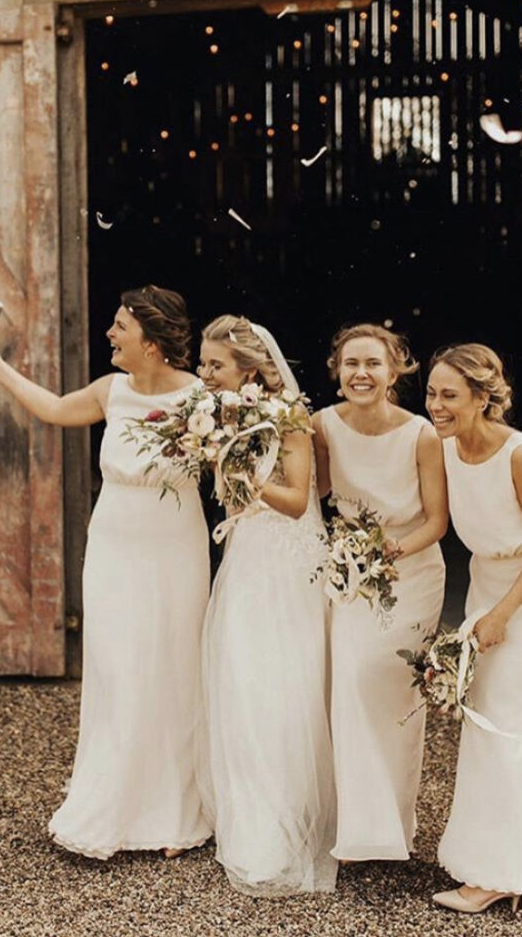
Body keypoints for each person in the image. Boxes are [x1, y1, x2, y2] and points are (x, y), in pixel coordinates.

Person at [0, 285, 211, 860]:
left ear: (152, 343)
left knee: (174, 668)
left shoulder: (203, 398)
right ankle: (111, 804)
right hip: (113, 548)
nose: (109, 334)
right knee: (117, 668)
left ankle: (174, 813)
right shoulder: (112, 390)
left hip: (175, 549)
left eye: (120, 326)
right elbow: (56, 409)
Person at [426, 343, 522, 913]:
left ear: (482, 398)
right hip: (488, 583)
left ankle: (503, 873)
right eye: (431, 393)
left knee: (512, 719)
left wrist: (502, 614)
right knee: (488, 718)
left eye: (449, 395)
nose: (436, 405)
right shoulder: (443, 448)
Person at [196, 315, 337, 895]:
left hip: (288, 565)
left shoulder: (289, 419)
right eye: (203, 363)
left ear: (250, 372)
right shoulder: (220, 417)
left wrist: (232, 468)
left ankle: (285, 829)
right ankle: (249, 820)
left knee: (283, 689)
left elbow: (298, 498)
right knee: (242, 684)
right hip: (247, 559)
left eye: (216, 365)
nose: (205, 374)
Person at [312, 324, 447, 864]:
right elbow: (314, 491)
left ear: (394, 372)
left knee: (394, 695)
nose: (361, 374)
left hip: (412, 571)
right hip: (351, 575)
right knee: (349, 684)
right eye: (351, 364)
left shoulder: (421, 435)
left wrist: (389, 552)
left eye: (372, 364)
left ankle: (395, 824)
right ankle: (359, 827)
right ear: (337, 370)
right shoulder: (323, 425)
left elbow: (436, 521)